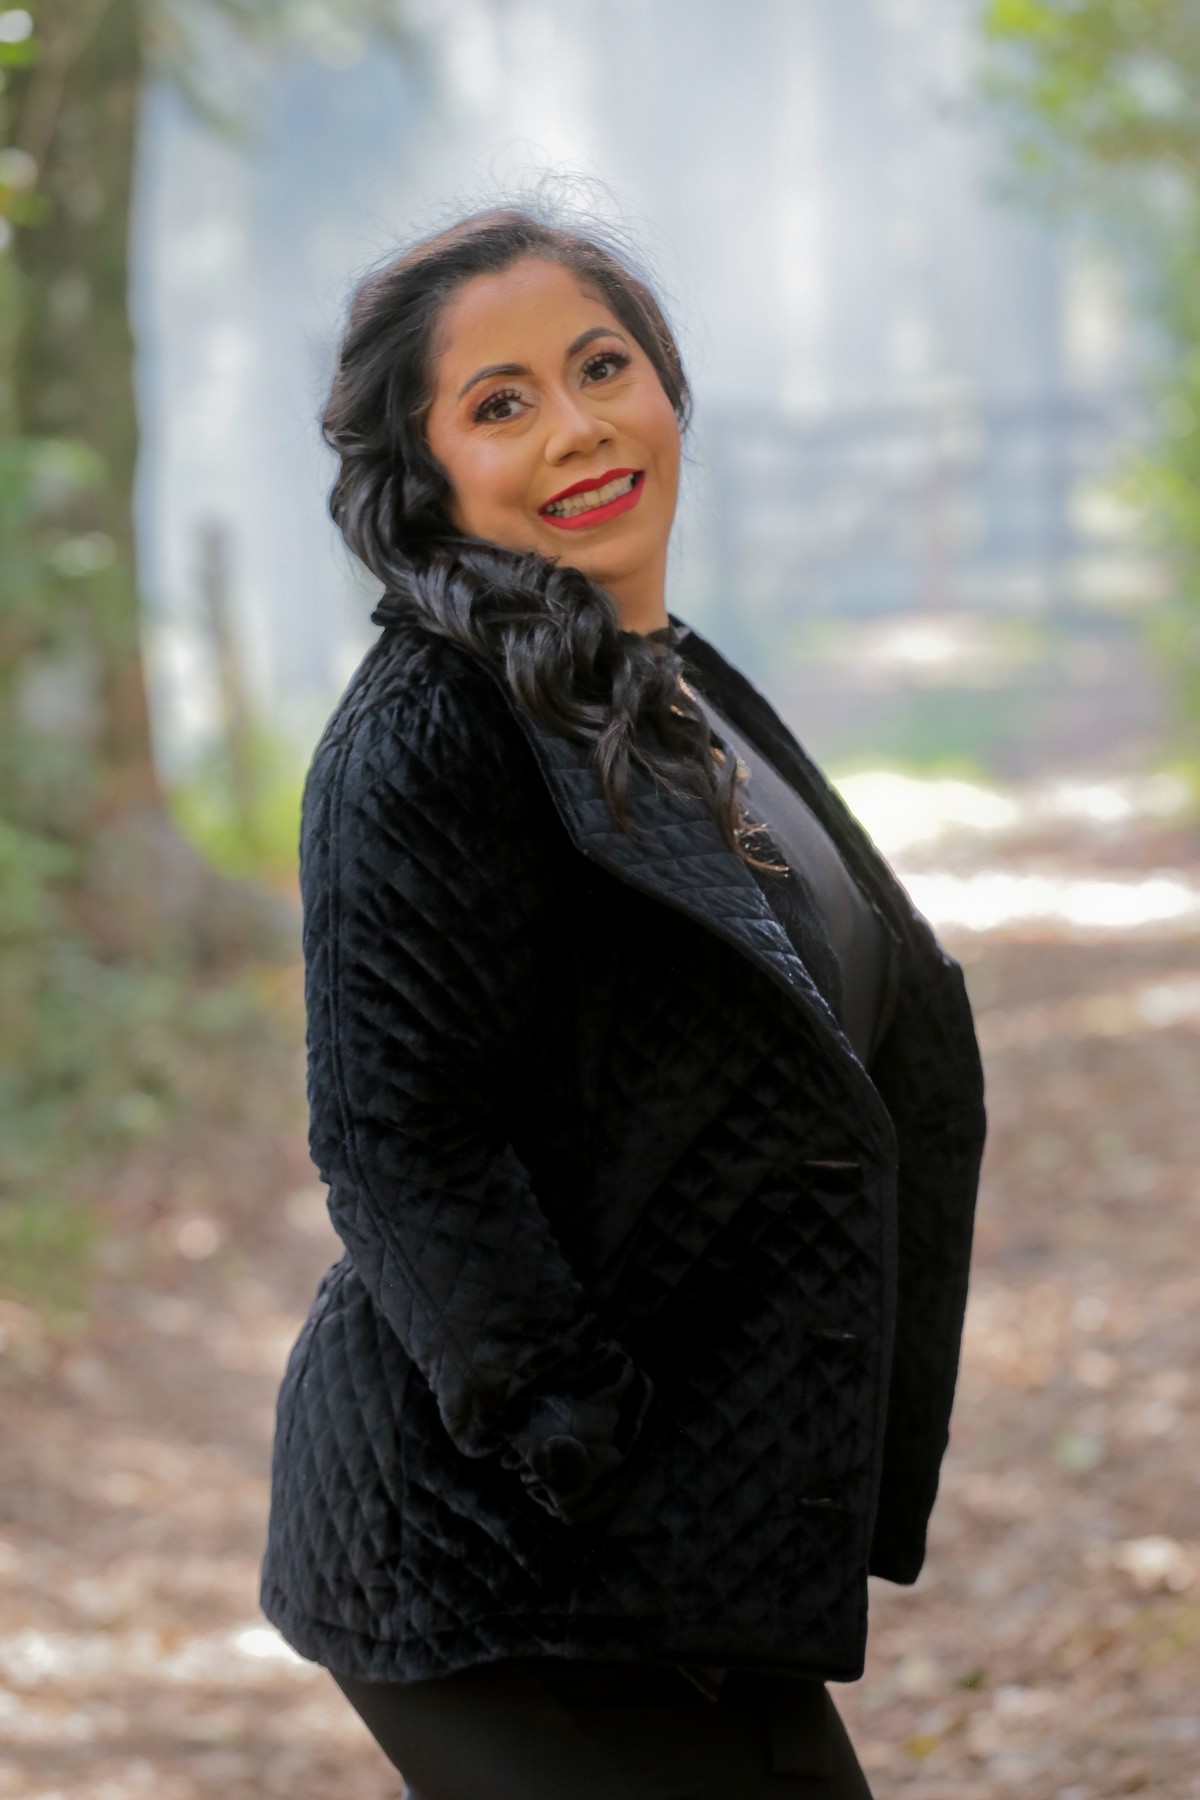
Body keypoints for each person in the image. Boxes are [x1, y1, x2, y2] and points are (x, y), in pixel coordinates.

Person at [258, 200, 987, 1800]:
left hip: (674, 1545)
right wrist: (579, 1437)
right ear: (427, 473)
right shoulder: (429, 734)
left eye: (602, 367)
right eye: (500, 403)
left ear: (667, 386)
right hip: (500, 1555)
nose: (577, 427)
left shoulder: (672, 688)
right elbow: (398, 1140)